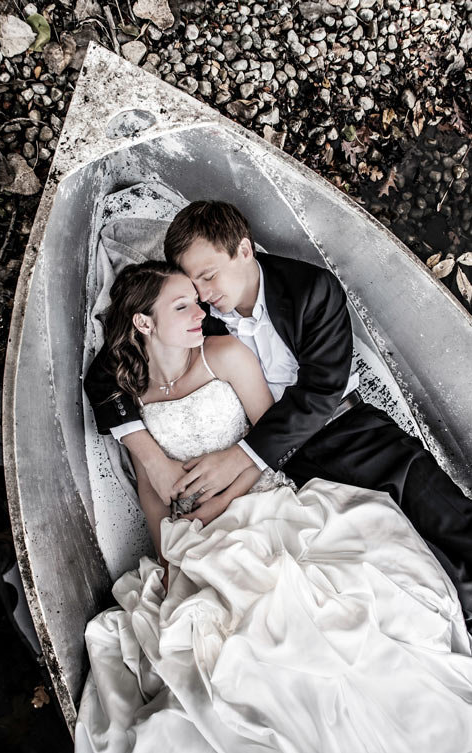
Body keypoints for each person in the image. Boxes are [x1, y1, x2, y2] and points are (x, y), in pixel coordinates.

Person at [76, 259, 472, 752]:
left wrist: (225, 496)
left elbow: (271, 449)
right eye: (183, 305)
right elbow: (149, 487)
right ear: (143, 322)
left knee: (299, 617)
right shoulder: (130, 389)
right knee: (214, 640)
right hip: (194, 537)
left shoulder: (226, 354)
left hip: (259, 504)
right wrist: (166, 557)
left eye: (198, 301)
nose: (200, 311)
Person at [85, 200, 472, 626]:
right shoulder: (199, 319)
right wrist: (154, 462)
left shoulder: (311, 290)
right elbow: (106, 376)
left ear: (245, 251)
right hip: (294, 475)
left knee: (450, 519)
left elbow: (321, 392)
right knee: (415, 566)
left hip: (348, 432)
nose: (204, 295)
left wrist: (241, 456)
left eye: (209, 276)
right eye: (194, 285)